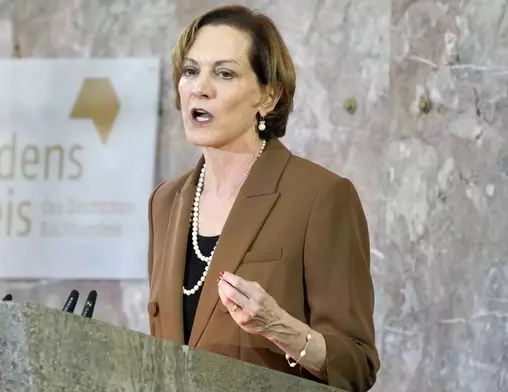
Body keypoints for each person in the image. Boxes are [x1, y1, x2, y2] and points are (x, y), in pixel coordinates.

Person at [146, 4, 380, 391]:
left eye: (224, 73)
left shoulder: (321, 197)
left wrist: (280, 328)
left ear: (268, 97)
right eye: (190, 71)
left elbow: (357, 365)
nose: (199, 87)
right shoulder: (164, 202)